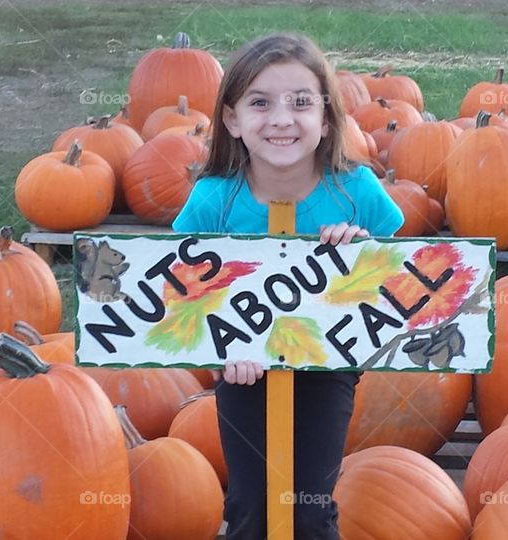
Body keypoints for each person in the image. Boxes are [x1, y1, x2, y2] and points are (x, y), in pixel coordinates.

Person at [172, 32, 405, 539]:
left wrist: (360, 254)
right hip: (243, 371)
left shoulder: (356, 190)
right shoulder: (214, 200)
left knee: (310, 508)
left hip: (328, 367)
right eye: (260, 103)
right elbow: (178, 291)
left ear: (325, 119)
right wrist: (218, 351)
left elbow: (398, 280)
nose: (281, 118)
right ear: (232, 119)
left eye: (301, 103)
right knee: (252, 504)